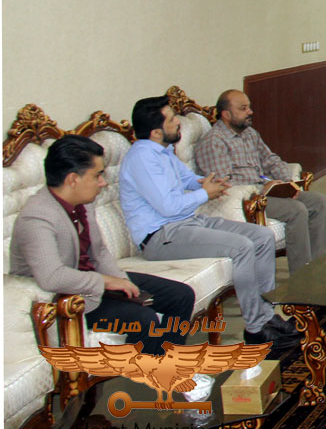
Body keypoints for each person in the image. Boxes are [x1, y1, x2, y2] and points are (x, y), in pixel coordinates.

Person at [119, 96, 299, 350]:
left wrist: (206, 182)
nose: (177, 123)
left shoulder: (163, 151)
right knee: (241, 247)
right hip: (162, 236)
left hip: (187, 223)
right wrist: (206, 193)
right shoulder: (142, 158)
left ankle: (266, 314)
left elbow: (188, 179)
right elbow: (168, 206)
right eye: (172, 120)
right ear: (156, 131)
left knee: (262, 236)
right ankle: (256, 328)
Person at [10, 135, 196, 356]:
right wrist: (106, 281)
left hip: (91, 282)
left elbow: (98, 252)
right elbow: (52, 277)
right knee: (143, 319)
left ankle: (169, 365)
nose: (103, 182)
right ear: (72, 180)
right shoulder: (37, 217)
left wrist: (122, 282)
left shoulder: (83, 202)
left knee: (180, 295)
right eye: (97, 175)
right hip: (64, 301)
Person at [195, 89, 326, 273]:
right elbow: (224, 184)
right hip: (244, 199)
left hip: (265, 191)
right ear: (226, 115)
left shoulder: (249, 133)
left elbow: (270, 160)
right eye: (243, 108)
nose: (250, 112)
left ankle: (320, 268)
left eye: (249, 107)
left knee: (317, 201)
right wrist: (261, 189)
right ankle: (302, 277)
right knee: (296, 210)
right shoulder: (214, 142)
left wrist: (288, 183)